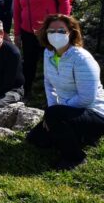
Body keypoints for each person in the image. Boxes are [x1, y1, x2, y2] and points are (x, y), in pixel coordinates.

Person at [26, 14, 104, 170]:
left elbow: (87, 98)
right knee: (35, 139)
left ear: (71, 32)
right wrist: (53, 108)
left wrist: (56, 111)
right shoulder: (49, 53)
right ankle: (81, 137)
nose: (56, 34)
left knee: (54, 116)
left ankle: (75, 158)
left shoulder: (82, 59)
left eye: (61, 31)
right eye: (51, 31)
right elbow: (48, 83)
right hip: (67, 111)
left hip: (95, 113)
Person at [8, 0, 72, 97]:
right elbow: (17, 11)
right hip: (27, 31)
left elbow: (64, 1)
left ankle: (59, 92)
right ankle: (26, 92)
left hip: (50, 31)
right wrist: (17, 34)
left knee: (55, 61)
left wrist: (61, 26)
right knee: (29, 63)